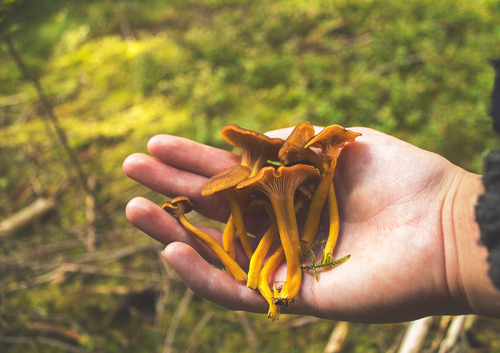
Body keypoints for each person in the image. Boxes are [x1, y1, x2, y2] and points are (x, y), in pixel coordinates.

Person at [123, 125, 500, 323]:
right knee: (263, 225)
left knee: (281, 212)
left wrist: (447, 214)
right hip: (272, 193)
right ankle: (273, 293)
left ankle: (277, 290)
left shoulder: (325, 166)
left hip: (289, 195)